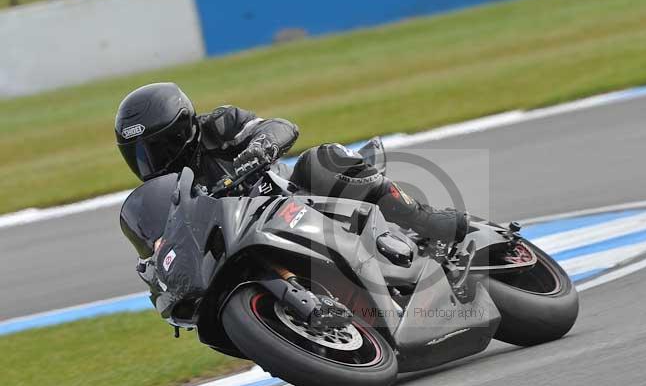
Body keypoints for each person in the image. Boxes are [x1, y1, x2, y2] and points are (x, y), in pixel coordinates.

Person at [115, 82, 467, 243]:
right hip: (245, 241)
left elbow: (279, 126)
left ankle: (423, 218)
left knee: (319, 160)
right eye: (138, 154)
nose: (150, 162)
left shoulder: (218, 125)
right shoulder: (165, 195)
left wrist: (261, 147)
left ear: (182, 131)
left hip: (292, 201)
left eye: (157, 148)